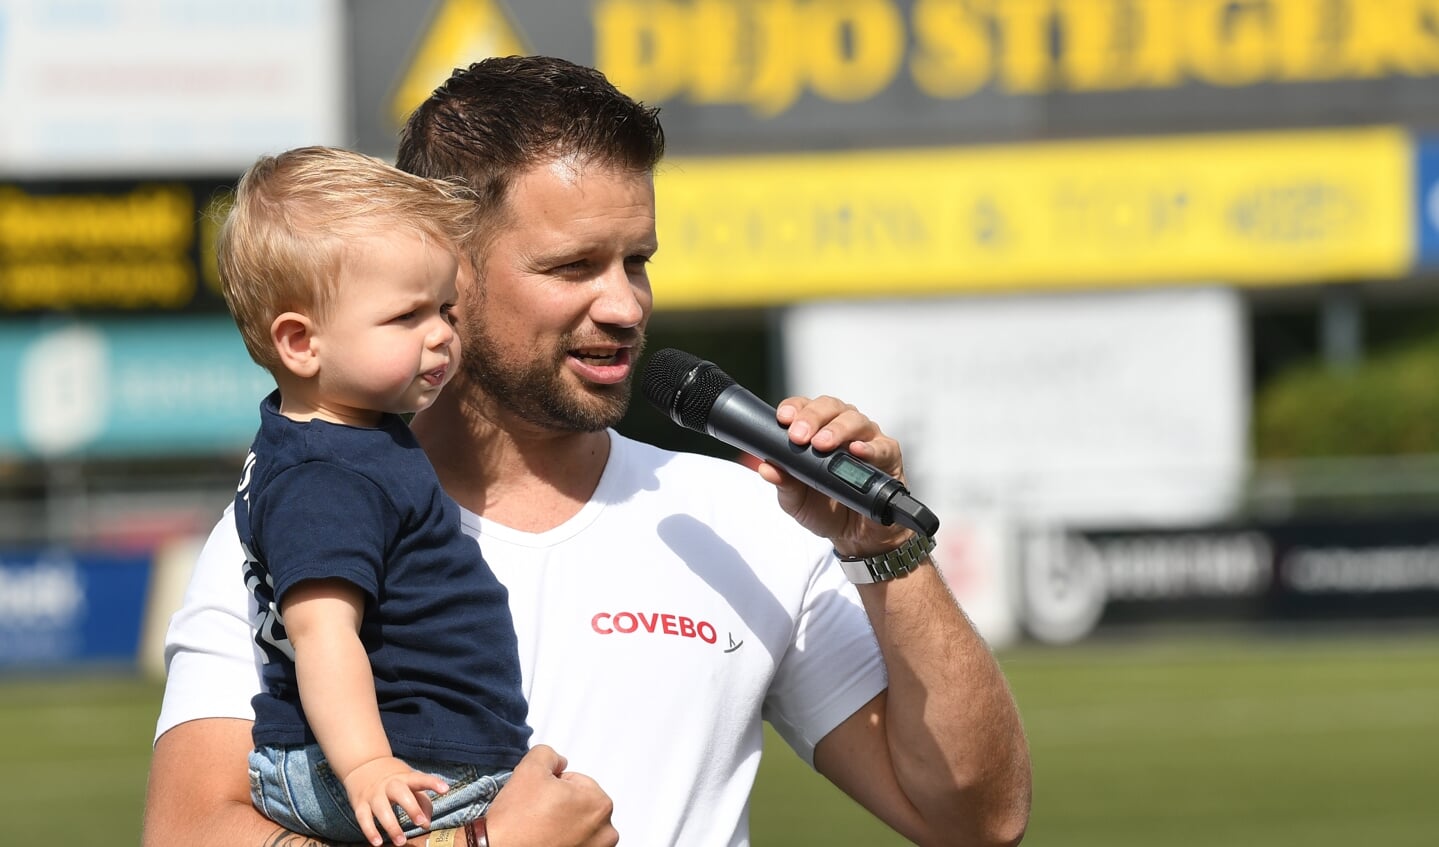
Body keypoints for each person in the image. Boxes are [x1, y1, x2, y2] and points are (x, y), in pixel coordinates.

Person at [144, 55, 1032, 847]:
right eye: (573, 267)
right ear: (445, 267)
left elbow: (975, 820)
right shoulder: (296, 510)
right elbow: (187, 831)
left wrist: (890, 555)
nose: (625, 305)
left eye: (635, 260)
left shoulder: (738, 518)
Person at [214, 146, 531, 847]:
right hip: (384, 758)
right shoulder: (328, 476)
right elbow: (321, 632)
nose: (443, 334)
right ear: (300, 342)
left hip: (407, 749)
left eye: (445, 309)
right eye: (407, 316)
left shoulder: (344, 442)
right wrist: (365, 764)